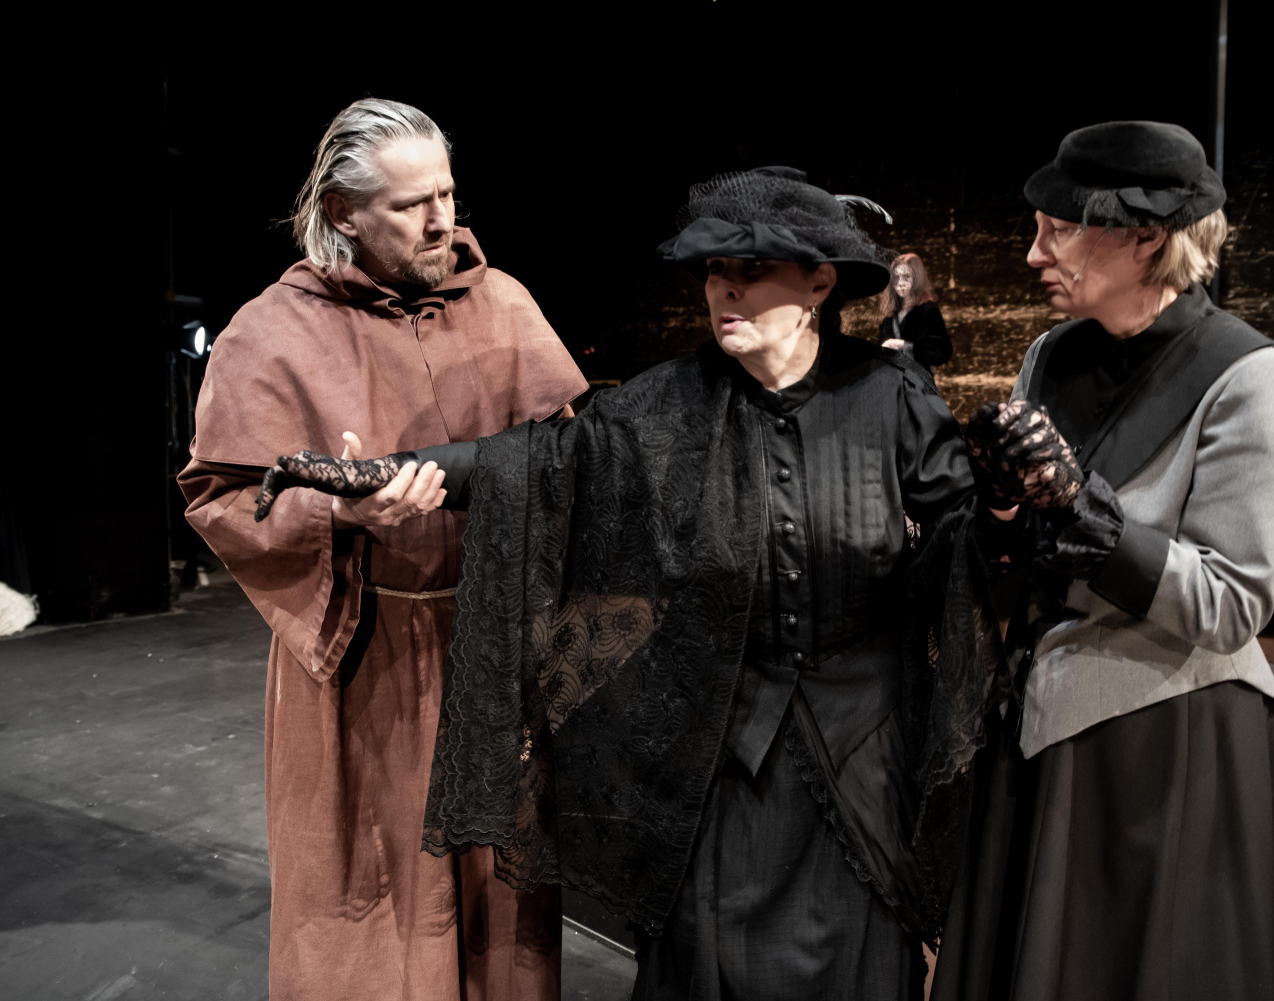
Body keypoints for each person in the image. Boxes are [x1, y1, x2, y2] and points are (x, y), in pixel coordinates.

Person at [254, 167, 1069, 1000]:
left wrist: (1004, 505)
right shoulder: (671, 403)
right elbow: (530, 464)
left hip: (862, 755)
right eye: (715, 271)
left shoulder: (889, 397)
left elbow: (964, 542)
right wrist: (374, 472)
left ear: (819, 284)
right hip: (720, 754)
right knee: (707, 961)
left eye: (751, 270)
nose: (725, 290)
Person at [177, 98, 588, 1001]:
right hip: (364, 667)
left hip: (494, 657)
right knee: (371, 905)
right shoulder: (273, 330)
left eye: (447, 193)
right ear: (343, 214)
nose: (443, 219)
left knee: (501, 906)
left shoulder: (504, 304)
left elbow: (570, 457)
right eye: (411, 205)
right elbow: (220, 495)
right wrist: (338, 512)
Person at [934, 121, 1274, 1001]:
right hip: (1038, 720)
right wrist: (1001, 503)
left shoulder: (1254, 378)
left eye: (1059, 229)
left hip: (1163, 741)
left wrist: (1085, 512)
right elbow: (1020, 554)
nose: (1034, 253)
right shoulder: (1052, 355)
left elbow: (1230, 601)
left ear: (1145, 237)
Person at [879, 252, 953, 369]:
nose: (901, 283)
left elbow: (941, 352)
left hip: (916, 378)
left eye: (906, 277)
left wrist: (903, 345)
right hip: (893, 377)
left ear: (917, 278)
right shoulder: (891, 313)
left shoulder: (928, 310)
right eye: (896, 277)